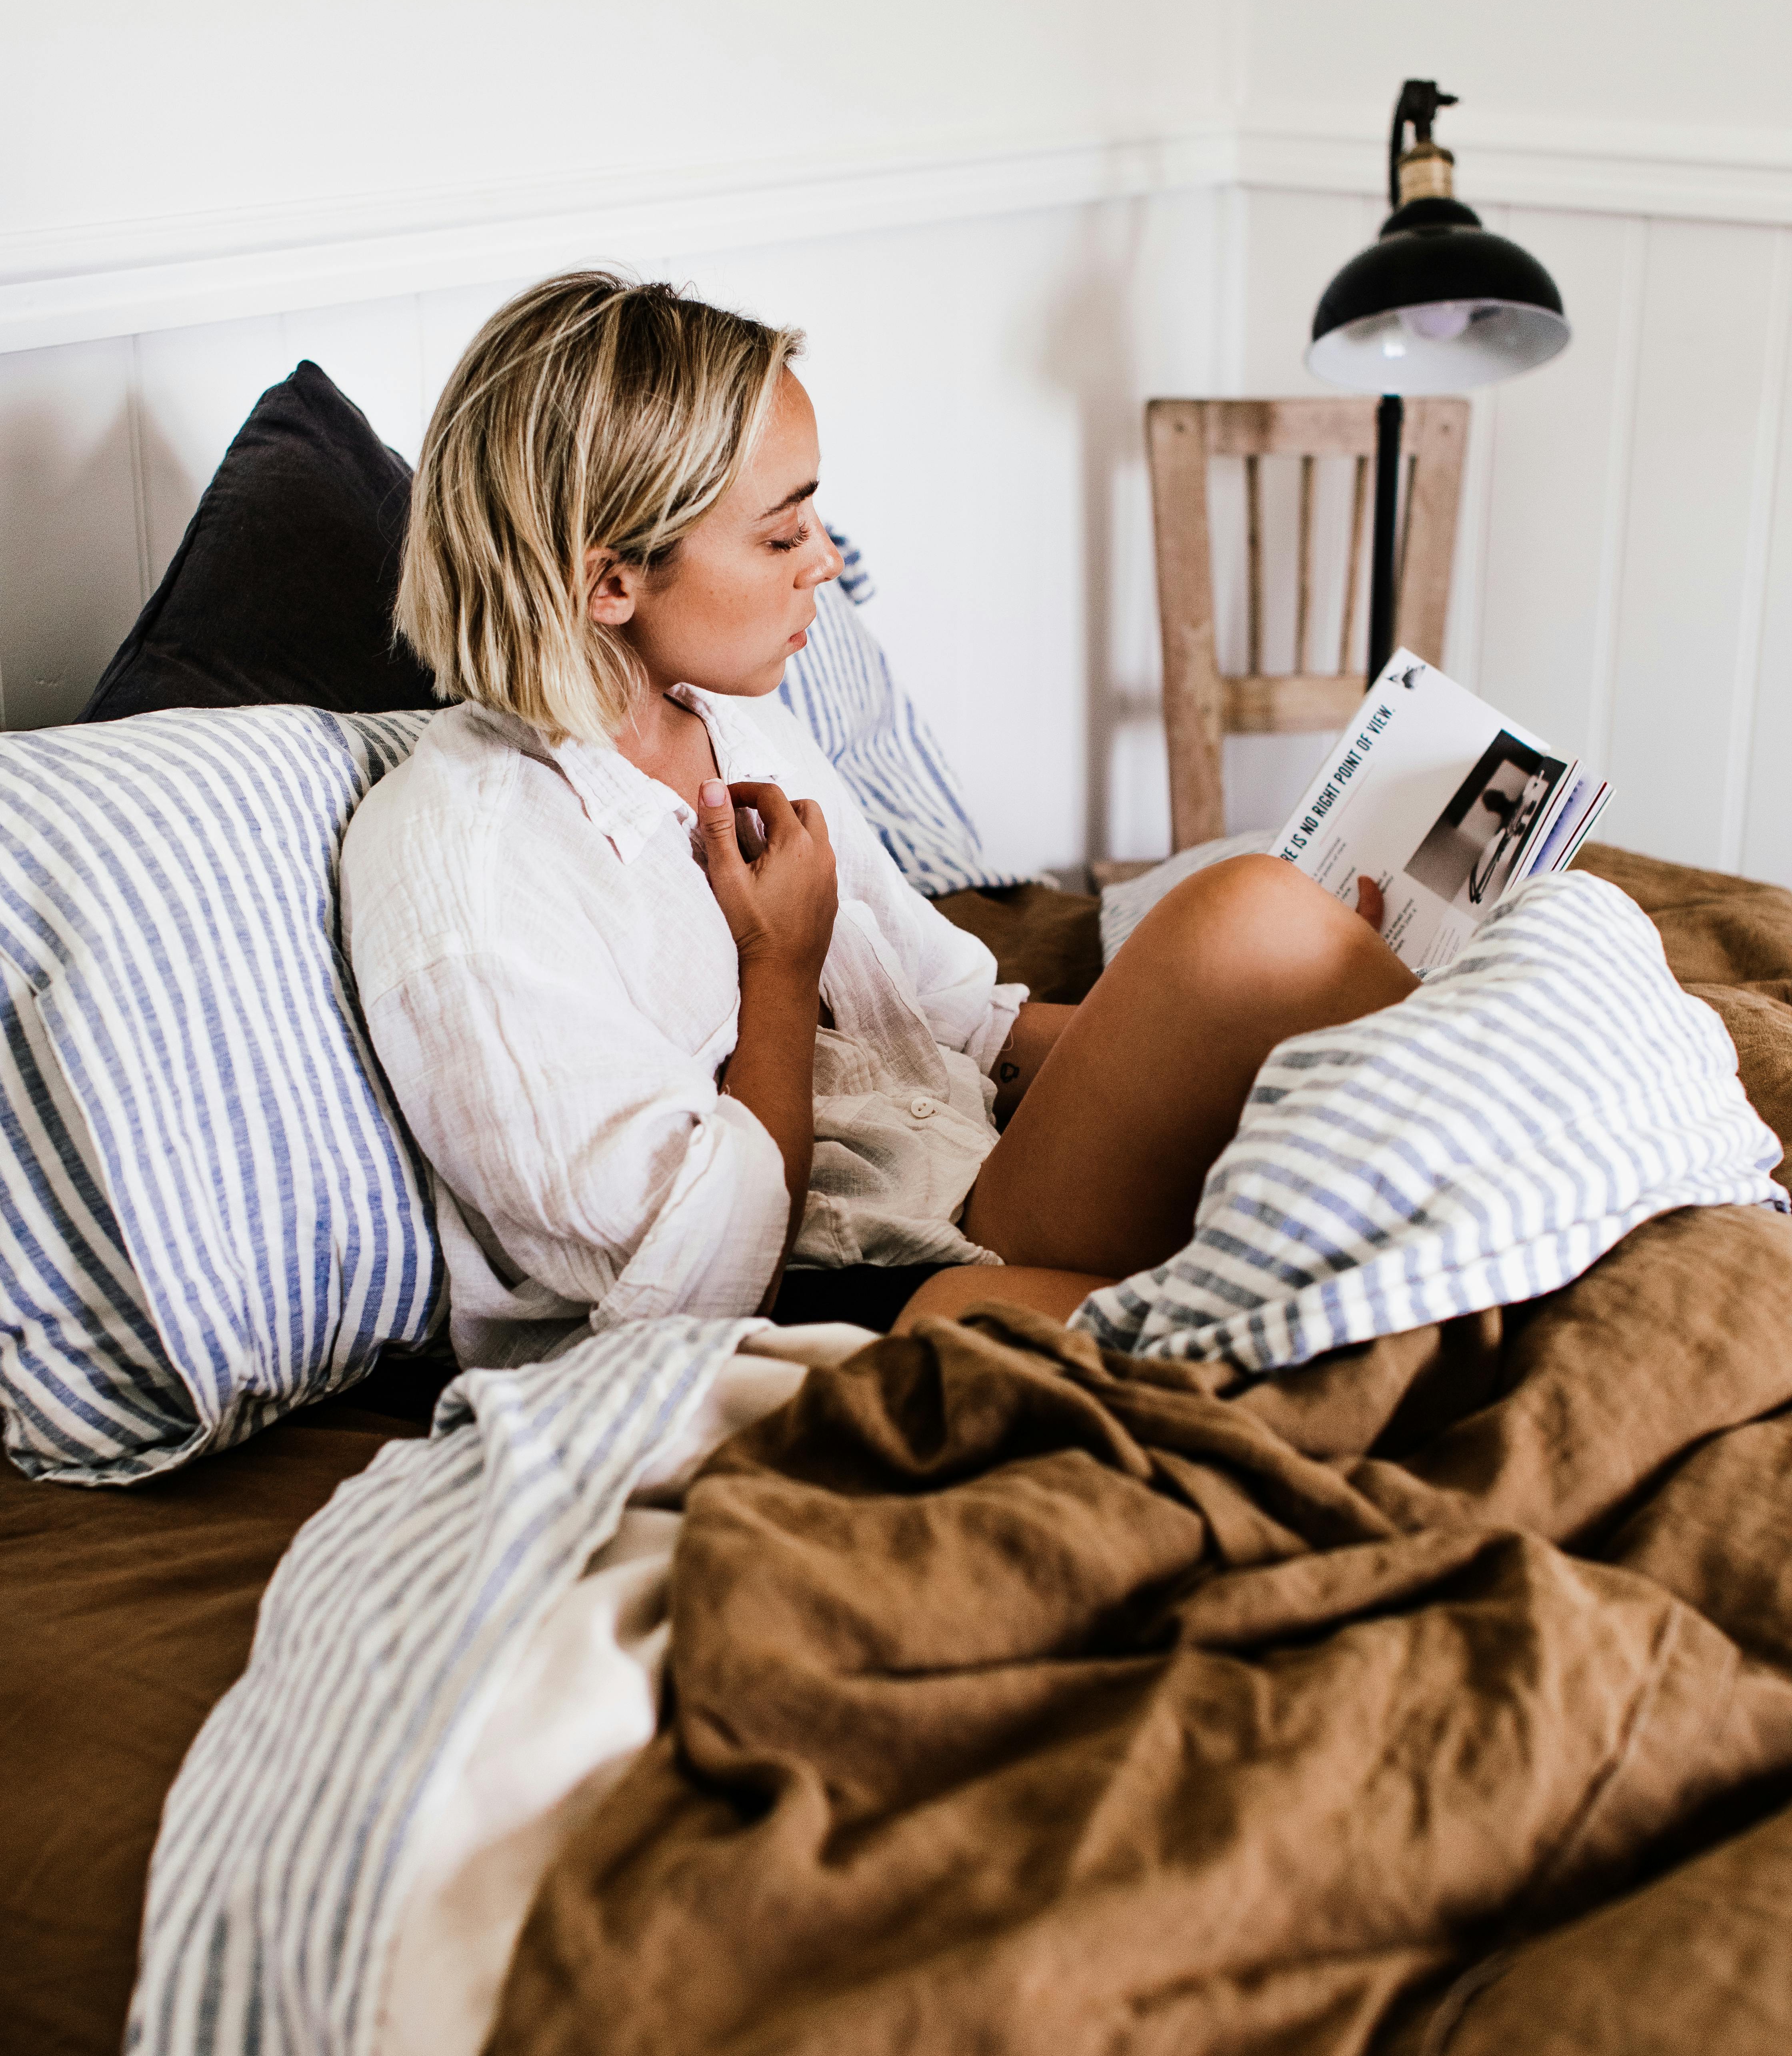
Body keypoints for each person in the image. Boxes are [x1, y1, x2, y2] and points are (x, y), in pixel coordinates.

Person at [341, 271, 1412, 1369]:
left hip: (969, 1180)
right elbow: (695, 1286)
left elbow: (964, 1023)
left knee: (1274, 957)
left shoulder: (737, 727)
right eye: (780, 537)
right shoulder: (464, 867)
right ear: (609, 583)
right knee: (1245, 927)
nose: (829, 563)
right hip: (859, 1302)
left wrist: (1252, 1022)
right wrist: (781, 967)